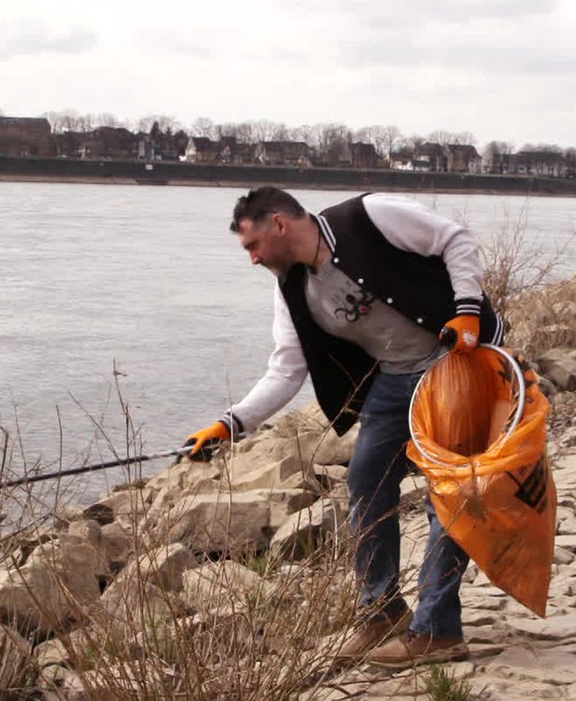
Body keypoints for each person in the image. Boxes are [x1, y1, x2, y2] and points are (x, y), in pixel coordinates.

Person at [181, 186, 504, 668]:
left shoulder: (369, 215)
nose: (251, 259)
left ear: (278, 225)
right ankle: (381, 613)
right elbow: (287, 369)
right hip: (394, 380)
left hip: (456, 361)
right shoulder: (290, 287)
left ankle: (438, 631)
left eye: (252, 246)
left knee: (450, 494)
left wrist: (466, 310)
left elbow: (455, 239)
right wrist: (229, 425)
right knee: (365, 486)